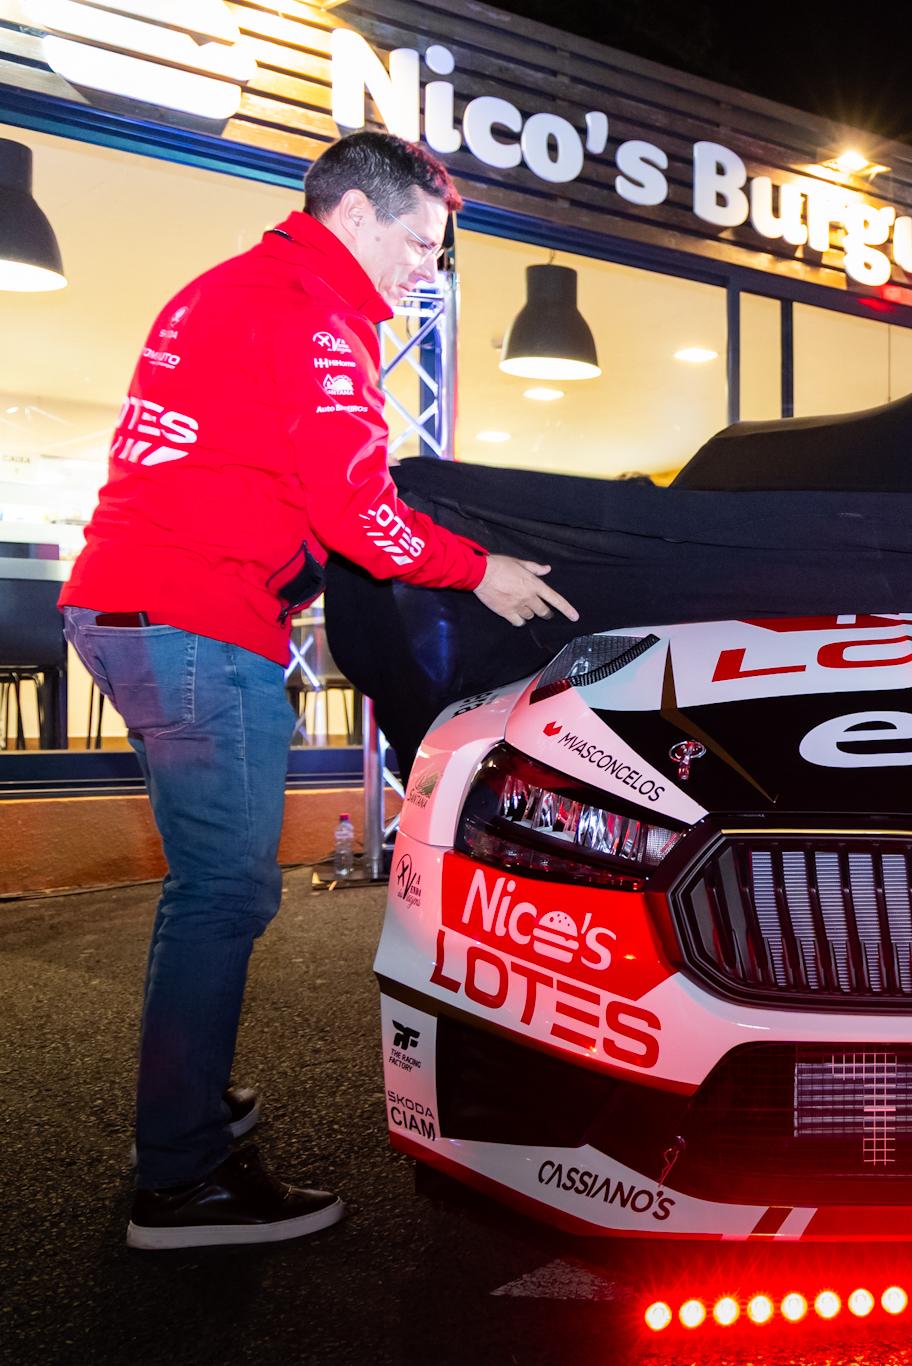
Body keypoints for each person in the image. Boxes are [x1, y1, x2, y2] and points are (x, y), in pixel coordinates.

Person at [58, 132, 578, 1250]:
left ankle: (182, 1102)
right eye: (419, 245)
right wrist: (480, 567)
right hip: (194, 623)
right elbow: (360, 513)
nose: (424, 273)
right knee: (224, 896)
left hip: (126, 608)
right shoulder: (312, 316)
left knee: (207, 889)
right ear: (354, 218)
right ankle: (181, 1176)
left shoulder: (230, 289)